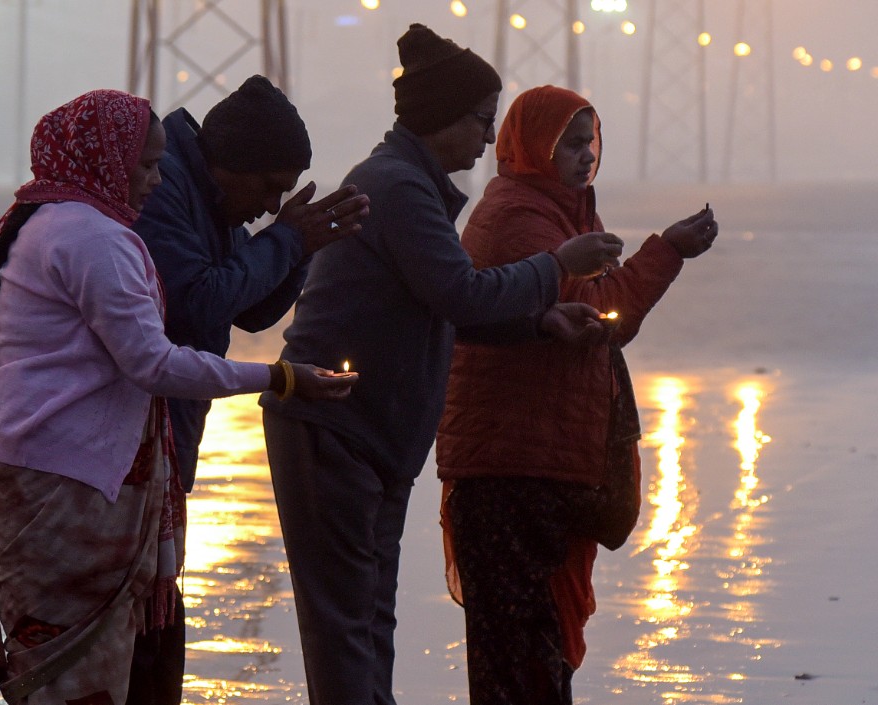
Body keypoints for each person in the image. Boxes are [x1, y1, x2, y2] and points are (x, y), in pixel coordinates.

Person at [259, 24, 623, 705]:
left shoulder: (410, 184)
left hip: (374, 438)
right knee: (346, 623)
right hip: (332, 428)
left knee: (372, 616)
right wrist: (557, 268)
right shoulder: (396, 187)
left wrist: (537, 320)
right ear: (440, 120)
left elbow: (444, 305)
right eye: (483, 122)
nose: (489, 140)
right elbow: (459, 291)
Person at [0, 89, 356, 705]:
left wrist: (297, 247)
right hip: (67, 478)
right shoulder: (94, 236)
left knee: (100, 664)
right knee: (75, 673)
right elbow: (162, 349)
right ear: (106, 160)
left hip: (78, 471)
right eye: (145, 166)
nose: (156, 180)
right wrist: (283, 377)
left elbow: (241, 307)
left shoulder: (75, 222)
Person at [436, 84, 718, 705]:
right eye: (568, 143)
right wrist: (667, 251)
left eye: (590, 141)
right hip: (511, 467)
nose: (584, 154)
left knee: (534, 655)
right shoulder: (518, 218)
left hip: (535, 459)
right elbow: (597, 318)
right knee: (523, 659)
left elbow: (602, 320)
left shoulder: (564, 212)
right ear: (532, 146)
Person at [128, 74, 369, 704]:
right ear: (224, 163)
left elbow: (251, 311)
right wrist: (287, 239)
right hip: (129, 438)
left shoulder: (207, 192)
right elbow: (195, 304)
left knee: (153, 610)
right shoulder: (165, 188)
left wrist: (304, 248)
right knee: (132, 618)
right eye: (266, 187)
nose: (268, 204)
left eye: (283, 194)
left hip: (169, 429)